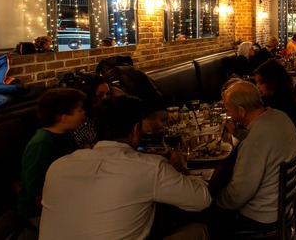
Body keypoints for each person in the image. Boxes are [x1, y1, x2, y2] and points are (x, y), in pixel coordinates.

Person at [39, 95, 211, 239]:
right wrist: (180, 169)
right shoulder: (150, 167)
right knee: (198, 229)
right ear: (136, 130)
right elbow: (202, 200)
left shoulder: (57, 167)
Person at [207, 81, 296, 237]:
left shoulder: (253, 144)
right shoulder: (279, 116)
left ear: (242, 111)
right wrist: (238, 133)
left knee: (207, 219)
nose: (228, 114)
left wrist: (212, 197)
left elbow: (237, 195)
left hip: (261, 217)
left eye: (228, 110)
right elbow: (266, 143)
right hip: (281, 206)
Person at [17, 88, 85, 227]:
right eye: (79, 109)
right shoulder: (42, 142)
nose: (83, 113)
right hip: (39, 212)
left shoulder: (65, 135)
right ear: (63, 117)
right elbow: (34, 187)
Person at [71, 74, 124, 149]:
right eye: (100, 95)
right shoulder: (85, 123)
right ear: (89, 96)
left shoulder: (105, 113)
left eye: (107, 94)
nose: (106, 98)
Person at [253, 58, 296, 126]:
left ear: (273, 82)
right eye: (257, 82)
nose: (257, 86)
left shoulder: (274, 106)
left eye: (261, 82)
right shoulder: (287, 96)